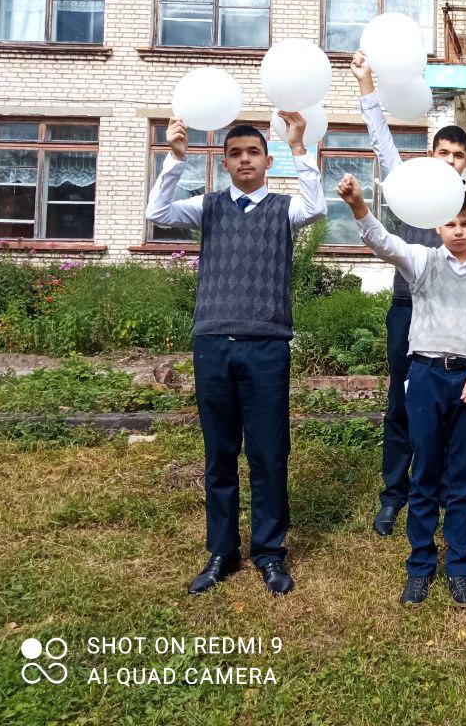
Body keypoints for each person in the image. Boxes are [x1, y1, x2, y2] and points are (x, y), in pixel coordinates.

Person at [145, 112, 325, 597]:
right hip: (212, 344)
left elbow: (318, 204)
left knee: (268, 453)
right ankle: (221, 551)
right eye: (235, 154)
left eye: (253, 153)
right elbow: (157, 213)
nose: (245, 160)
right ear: (225, 162)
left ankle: (269, 552)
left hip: (267, 346)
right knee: (219, 454)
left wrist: (298, 145)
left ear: (267, 160)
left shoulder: (285, 209)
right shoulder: (207, 207)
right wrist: (176, 158)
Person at [338, 176, 466, 606]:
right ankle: (420, 565)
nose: (459, 230)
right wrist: (360, 206)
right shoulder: (421, 262)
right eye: (451, 223)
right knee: (424, 474)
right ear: (438, 227)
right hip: (425, 376)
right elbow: (384, 243)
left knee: (464, 475)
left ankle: (459, 566)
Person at [350, 51, 466, 539]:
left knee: (456, 412)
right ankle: (396, 496)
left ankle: (454, 498)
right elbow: (383, 147)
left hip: (458, 322)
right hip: (410, 310)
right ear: (432, 156)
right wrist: (368, 87)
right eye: (443, 154)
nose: (450, 162)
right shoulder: (413, 190)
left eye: (458, 156)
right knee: (401, 404)